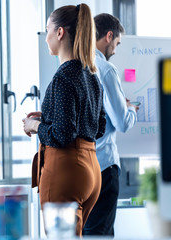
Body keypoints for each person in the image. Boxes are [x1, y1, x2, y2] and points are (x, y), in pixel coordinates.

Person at [23, 4, 106, 237]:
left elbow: (62, 135)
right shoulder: (91, 76)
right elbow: (99, 126)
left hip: (65, 170)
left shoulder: (62, 77)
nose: (46, 35)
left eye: (47, 29)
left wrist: (35, 125)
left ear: (60, 33)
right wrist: (49, 117)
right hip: (91, 171)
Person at [83, 13, 139, 236]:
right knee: (101, 233)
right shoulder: (105, 69)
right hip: (104, 166)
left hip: (83, 167)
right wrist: (132, 110)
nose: (115, 50)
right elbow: (122, 123)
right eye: (116, 43)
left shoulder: (79, 65)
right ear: (108, 36)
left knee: (88, 231)